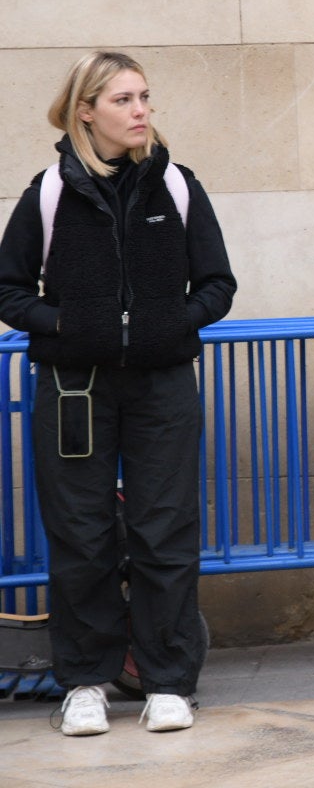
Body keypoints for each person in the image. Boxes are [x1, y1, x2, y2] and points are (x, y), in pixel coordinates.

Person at [0, 52, 236, 736]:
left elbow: (217, 284)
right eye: (124, 99)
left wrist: (168, 326)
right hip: (75, 389)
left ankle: (168, 681)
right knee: (82, 537)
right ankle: (85, 682)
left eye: (144, 97)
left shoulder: (179, 188)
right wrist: (68, 324)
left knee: (166, 532)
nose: (141, 111)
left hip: (164, 384)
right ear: (86, 111)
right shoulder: (48, 193)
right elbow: (10, 290)